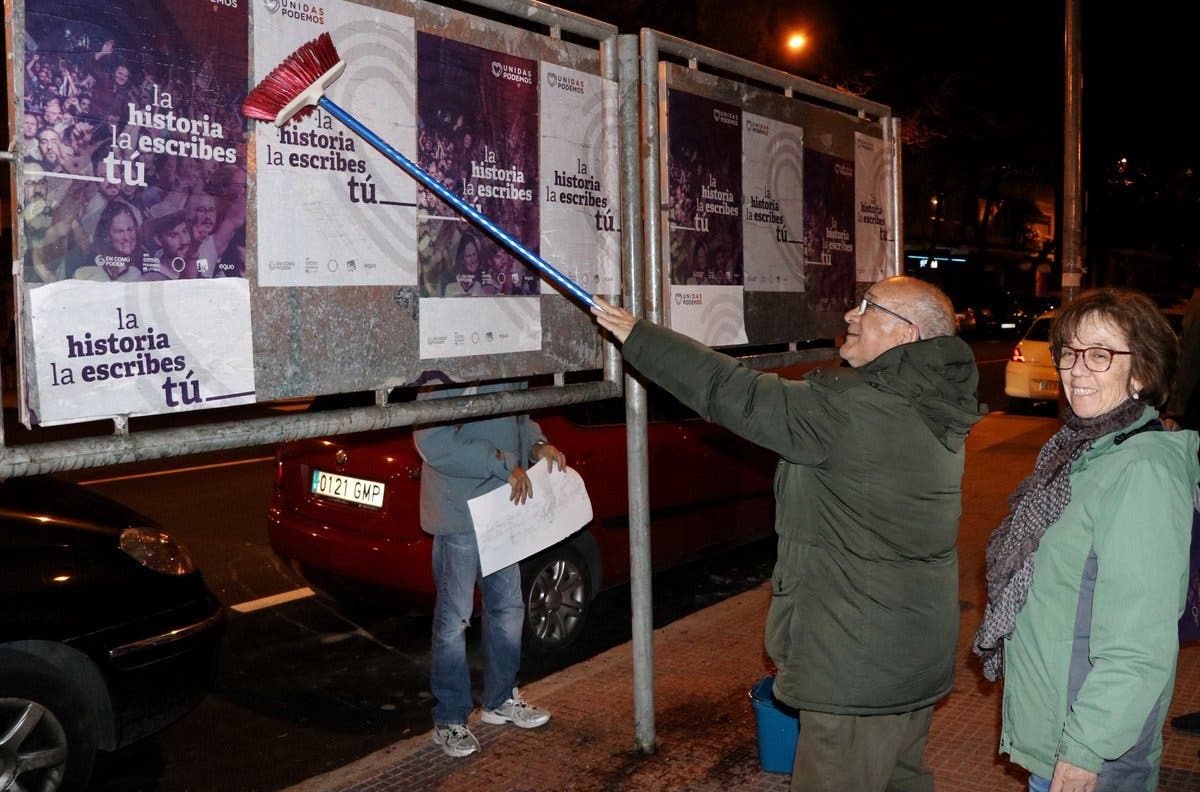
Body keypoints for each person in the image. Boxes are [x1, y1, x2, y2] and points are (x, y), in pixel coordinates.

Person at [592, 275, 986, 791]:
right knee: (899, 778)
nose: (850, 315)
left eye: (868, 307)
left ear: (907, 334)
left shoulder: (853, 409)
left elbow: (734, 392)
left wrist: (642, 336)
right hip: (910, 650)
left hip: (857, 662)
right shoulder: (932, 402)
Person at [973, 287, 1199, 792]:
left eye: (1100, 355)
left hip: (1090, 744)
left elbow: (1140, 641)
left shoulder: (1141, 470)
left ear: (1141, 372)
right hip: (1057, 722)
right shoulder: (1083, 451)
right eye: (1070, 352)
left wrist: (1085, 750)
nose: (1077, 370)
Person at [412, 380, 566, 758]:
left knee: (508, 609)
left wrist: (537, 445)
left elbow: (517, 418)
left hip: (501, 509)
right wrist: (501, 462)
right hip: (460, 513)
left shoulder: (505, 362)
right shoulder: (445, 370)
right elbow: (430, 440)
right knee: (455, 619)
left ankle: (500, 700)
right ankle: (449, 718)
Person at [73, 202, 144, 282]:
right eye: (119, 231)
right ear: (107, 235)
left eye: (130, 229)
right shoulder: (90, 271)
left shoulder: (144, 266)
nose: (126, 237)